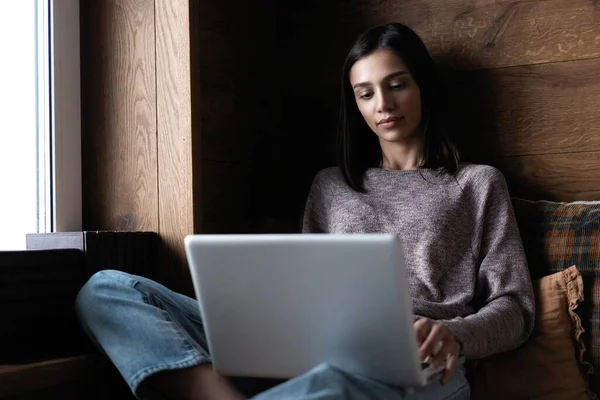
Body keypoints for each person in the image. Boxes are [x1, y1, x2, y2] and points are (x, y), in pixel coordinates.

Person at [75, 23, 535, 400]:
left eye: (397, 85)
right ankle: (207, 390)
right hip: (314, 353)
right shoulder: (330, 185)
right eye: (365, 93)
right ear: (354, 103)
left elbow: (515, 308)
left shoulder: (477, 184)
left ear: (423, 87)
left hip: (422, 365)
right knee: (106, 290)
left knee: (330, 386)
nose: (383, 105)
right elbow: (303, 292)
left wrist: (455, 333)